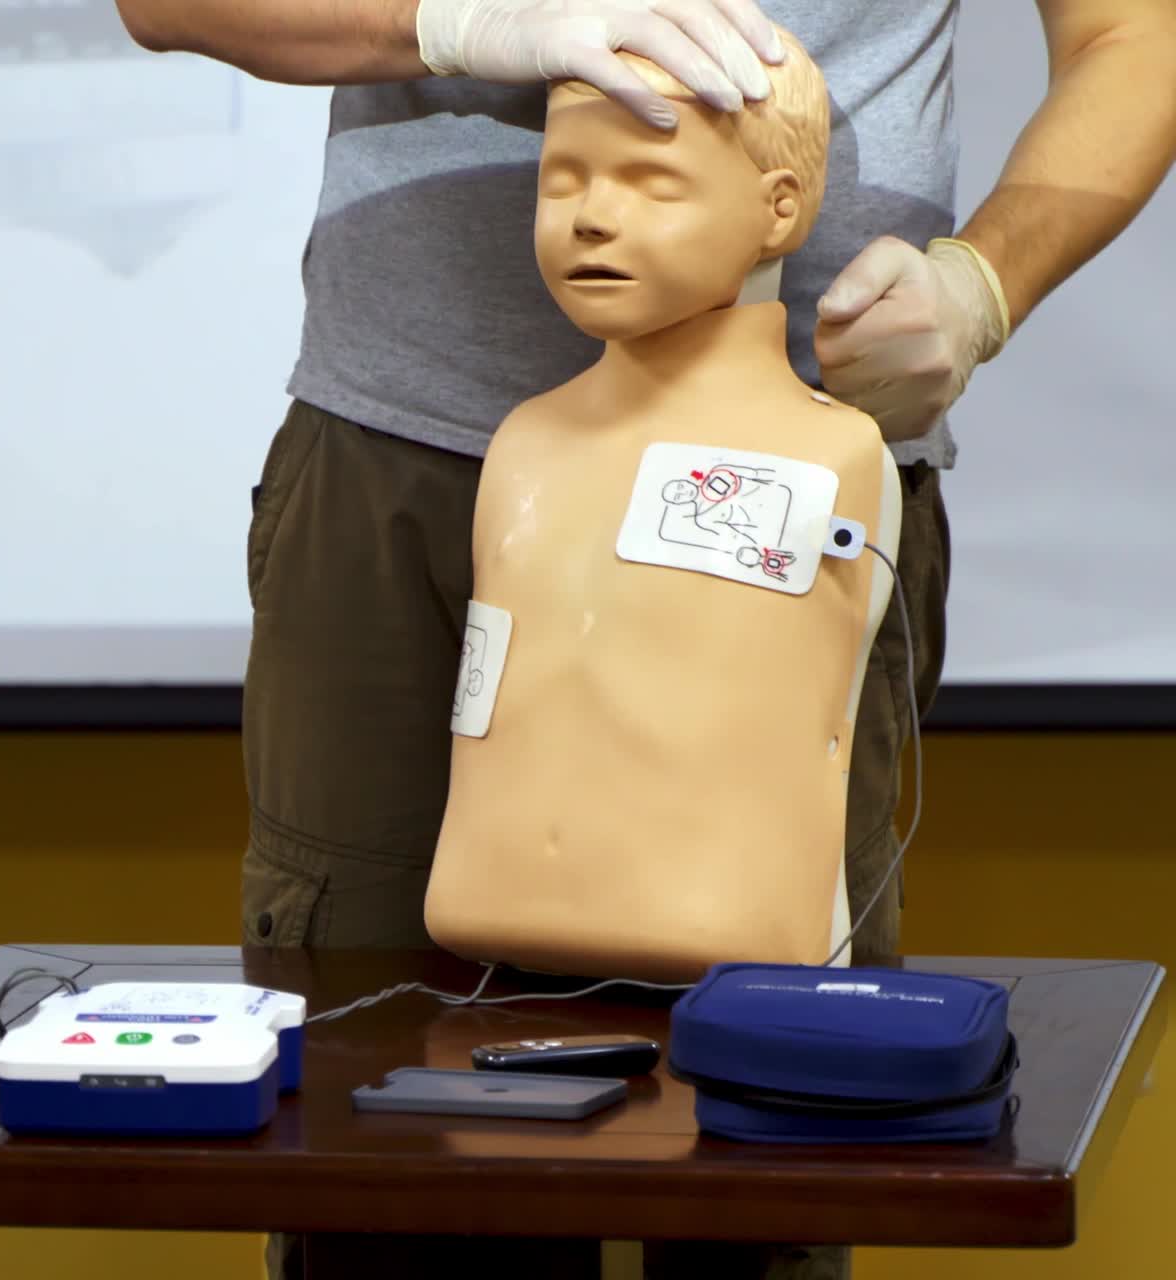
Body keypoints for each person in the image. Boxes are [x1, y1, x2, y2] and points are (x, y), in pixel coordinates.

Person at [113, 2, 1176, 1277]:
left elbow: (1134, 33)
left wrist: (981, 281)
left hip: (803, 486)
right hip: (403, 459)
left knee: (768, 1136)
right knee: (380, 1140)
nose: (594, 212)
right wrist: (462, 19)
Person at [424, 38, 901, 983]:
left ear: (780, 209)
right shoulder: (524, 444)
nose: (592, 219)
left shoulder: (832, 456)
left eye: (651, 182)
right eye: (562, 181)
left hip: (738, 948)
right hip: (494, 942)